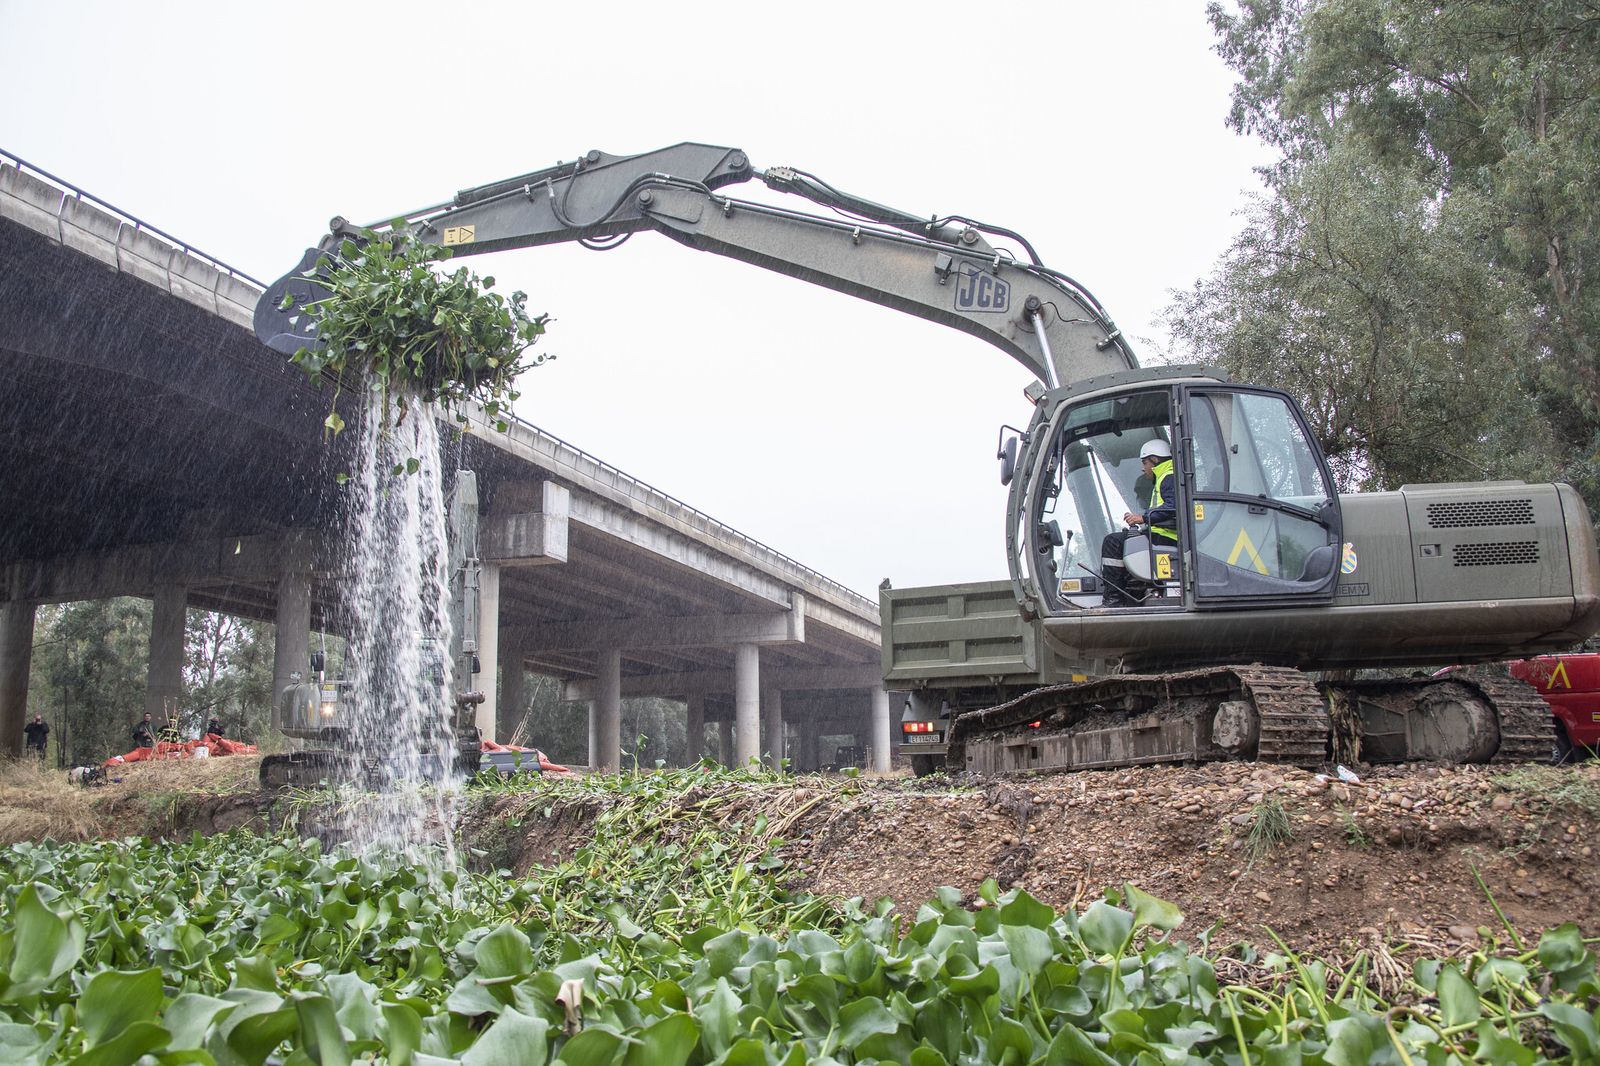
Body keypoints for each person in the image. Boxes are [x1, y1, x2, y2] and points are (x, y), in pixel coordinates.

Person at [1101, 438, 1178, 607]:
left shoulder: (1169, 476)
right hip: (1162, 534)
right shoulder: (1167, 475)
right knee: (1125, 541)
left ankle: (1113, 600)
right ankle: (1132, 592)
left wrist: (1143, 518)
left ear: (1155, 460)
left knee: (1113, 542)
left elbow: (1173, 507)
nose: (1143, 468)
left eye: (1145, 462)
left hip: (1165, 537)